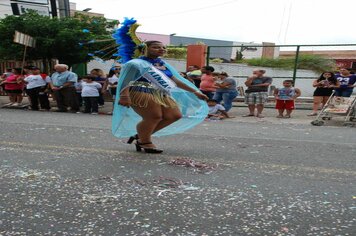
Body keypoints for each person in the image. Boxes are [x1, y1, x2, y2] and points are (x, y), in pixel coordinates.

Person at [113, 30, 208, 153]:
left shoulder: (162, 64)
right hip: (141, 90)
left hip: (161, 93)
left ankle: (141, 135)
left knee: (174, 115)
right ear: (144, 49)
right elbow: (126, 80)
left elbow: (175, 81)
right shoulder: (135, 64)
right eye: (156, 47)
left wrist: (195, 91)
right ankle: (144, 141)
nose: (161, 49)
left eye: (163, 47)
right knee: (154, 117)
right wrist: (124, 95)